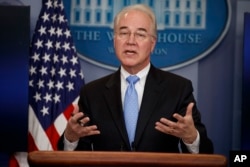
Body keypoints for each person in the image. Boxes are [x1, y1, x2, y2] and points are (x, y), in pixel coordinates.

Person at [58, 4, 213, 153]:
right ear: (114, 40)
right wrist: (71, 139)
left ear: (152, 43)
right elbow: (78, 157)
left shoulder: (178, 89)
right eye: (124, 33)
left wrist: (191, 138)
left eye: (140, 34)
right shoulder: (92, 93)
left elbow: (205, 152)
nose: (130, 41)